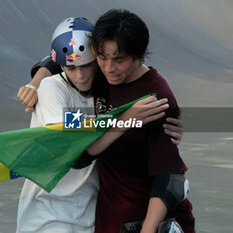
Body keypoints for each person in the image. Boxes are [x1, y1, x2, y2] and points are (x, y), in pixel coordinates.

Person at [16, 17, 173, 233]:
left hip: (90, 214)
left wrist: (160, 123)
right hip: (48, 213)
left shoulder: (104, 84)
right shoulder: (51, 90)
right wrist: (37, 81)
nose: (81, 77)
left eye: (87, 65)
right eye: (71, 69)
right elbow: (73, 146)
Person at [87, 9, 195, 233]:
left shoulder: (156, 98)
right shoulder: (98, 75)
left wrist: (148, 229)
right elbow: (64, 57)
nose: (109, 68)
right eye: (102, 56)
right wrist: (37, 78)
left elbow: (169, 178)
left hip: (147, 219)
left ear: (139, 55)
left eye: (119, 60)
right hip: (111, 213)